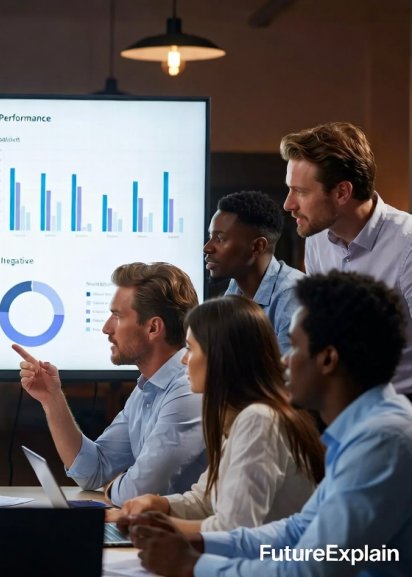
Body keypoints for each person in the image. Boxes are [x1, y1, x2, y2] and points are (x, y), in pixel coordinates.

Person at [125, 271, 412, 577]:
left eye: (295, 346)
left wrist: (192, 564)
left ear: (328, 359)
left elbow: (313, 567)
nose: (284, 360)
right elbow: (295, 532)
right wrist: (197, 541)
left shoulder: (383, 439)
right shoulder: (364, 431)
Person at [118, 295, 323, 532]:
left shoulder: (259, 420)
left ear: (220, 356)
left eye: (190, 349)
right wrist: (158, 504)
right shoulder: (241, 417)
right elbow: (205, 502)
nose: (184, 360)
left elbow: (233, 528)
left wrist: (154, 525)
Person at [13, 262, 206, 507]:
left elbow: (136, 491)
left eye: (117, 316)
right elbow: (93, 471)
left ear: (153, 327)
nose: (106, 328)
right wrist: (52, 398)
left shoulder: (188, 389)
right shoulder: (147, 388)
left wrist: (114, 485)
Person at [282, 121, 412, 401]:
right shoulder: (316, 238)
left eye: (300, 192)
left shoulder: (407, 244)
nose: (288, 204)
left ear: (342, 192)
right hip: (339, 403)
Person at [204, 190, 304, 353]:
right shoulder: (235, 288)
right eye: (211, 236)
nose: (207, 248)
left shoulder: (292, 297)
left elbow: (289, 376)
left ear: (258, 246)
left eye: (220, 239)